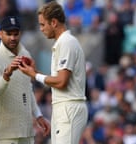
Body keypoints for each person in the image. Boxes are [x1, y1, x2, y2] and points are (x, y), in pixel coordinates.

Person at [18, 1, 88, 144]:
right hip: (63, 107)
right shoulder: (63, 43)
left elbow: (62, 82)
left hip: (69, 107)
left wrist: (35, 75)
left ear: (54, 22)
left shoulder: (66, 43)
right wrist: (35, 71)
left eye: (43, 24)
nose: (41, 29)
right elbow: (58, 79)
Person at [0, 16, 50, 144]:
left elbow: (27, 89)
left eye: (16, 34)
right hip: (4, 134)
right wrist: (6, 75)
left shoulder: (25, 55)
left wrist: (38, 115)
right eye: (9, 34)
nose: (13, 38)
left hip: (26, 131)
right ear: (0, 34)